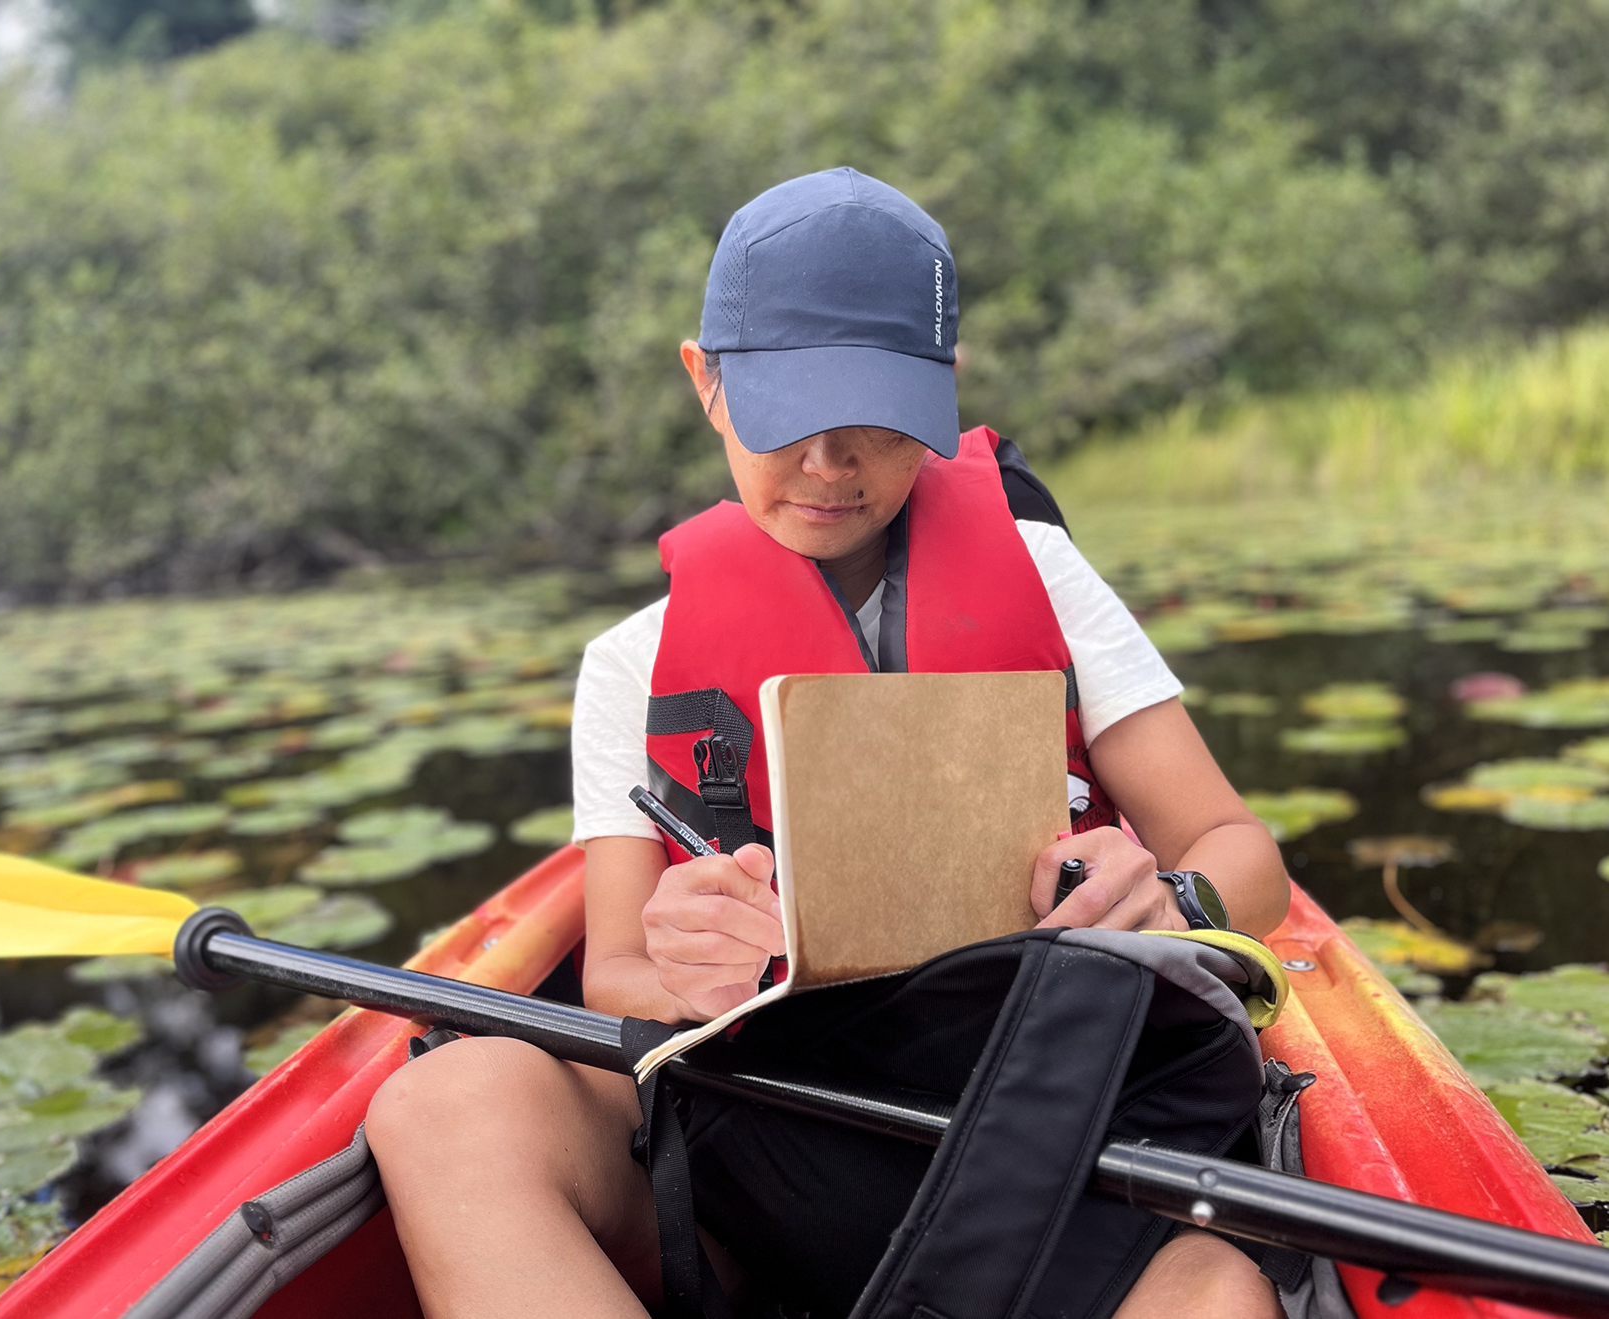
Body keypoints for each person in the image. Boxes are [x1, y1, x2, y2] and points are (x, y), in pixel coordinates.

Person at [367, 167, 1292, 1319]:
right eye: (787, 408)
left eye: (871, 411)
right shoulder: (628, 663)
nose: (828, 460)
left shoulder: (1043, 575)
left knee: (1214, 1294)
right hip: (776, 1123)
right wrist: (679, 960)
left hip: (1045, 1119)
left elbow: (1240, 850)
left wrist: (1171, 898)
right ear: (704, 382)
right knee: (439, 1102)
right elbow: (611, 970)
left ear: (940, 387)